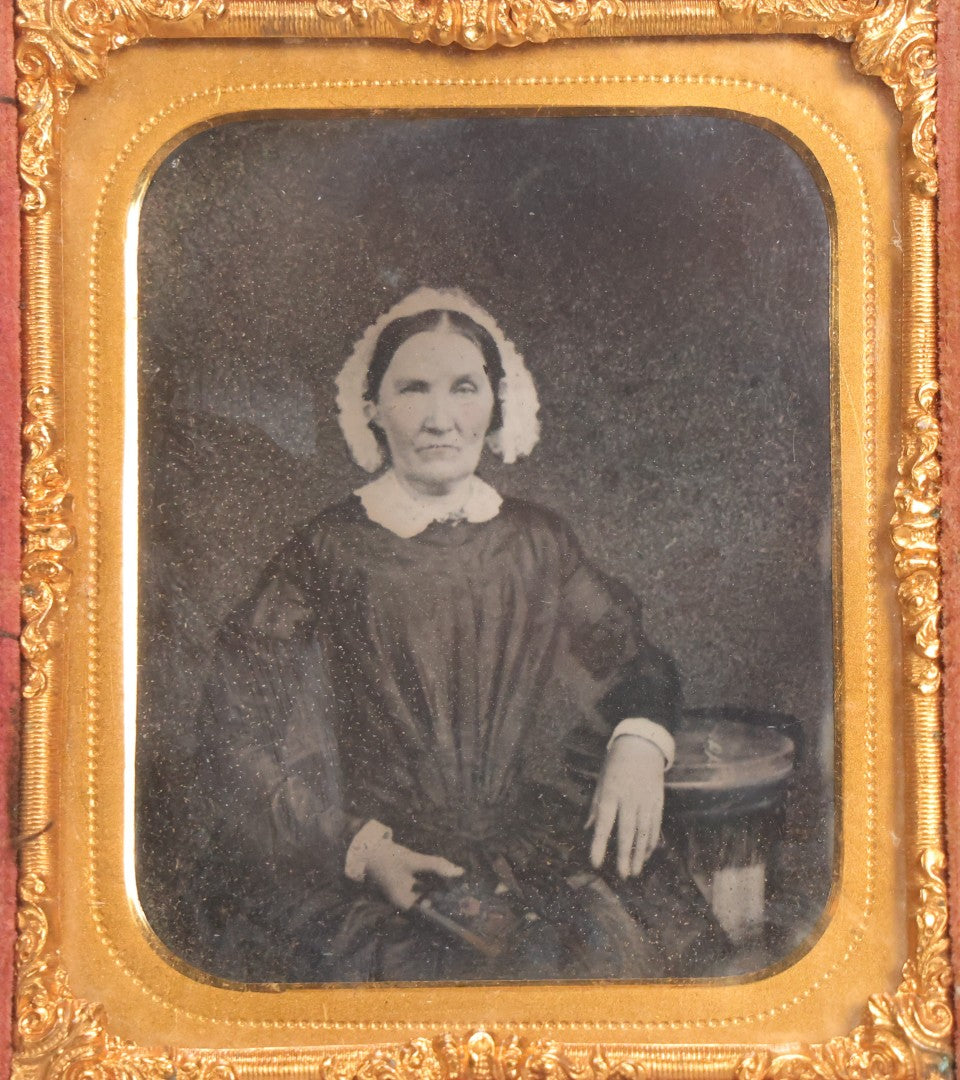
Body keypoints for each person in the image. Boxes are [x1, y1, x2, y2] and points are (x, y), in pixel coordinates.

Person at [182, 288, 729, 982]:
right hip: (382, 867)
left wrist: (639, 743)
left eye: (463, 388)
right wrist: (362, 850)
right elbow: (231, 732)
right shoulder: (328, 548)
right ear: (373, 408)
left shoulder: (538, 541)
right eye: (413, 389)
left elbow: (633, 663)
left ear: (494, 403)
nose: (440, 419)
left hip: (526, 846)